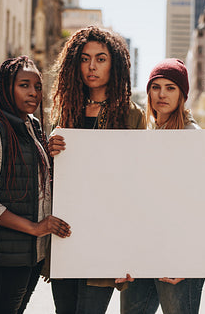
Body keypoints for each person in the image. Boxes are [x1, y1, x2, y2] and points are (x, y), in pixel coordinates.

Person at [48, 25, 145, 313]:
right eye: (85, 58)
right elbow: (53, 176)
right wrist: (50, 151)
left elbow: (138, 186)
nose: (92, 66)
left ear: (114, 64)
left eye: (101, 59)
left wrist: (127, 250)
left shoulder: (130, 113)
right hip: (65, 234)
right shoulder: (66, 110)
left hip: (105, 235)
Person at [0, 56, 71, 314]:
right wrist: (35, 228)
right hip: (3, 255)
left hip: (28, 255)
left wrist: (51, 155)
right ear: (6, 88)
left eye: (37, 86)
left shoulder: (31, 127)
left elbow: (33, 183)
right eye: (24, 85)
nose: (34, 92)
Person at [120, 58, 204, 314]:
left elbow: (202, 204)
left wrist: (188, 260)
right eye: (156, 87)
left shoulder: (193, 137)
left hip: (177, 253)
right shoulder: (141, 134)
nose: (162, 94)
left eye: (170, 87)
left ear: (182, 95)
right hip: (140, 248)